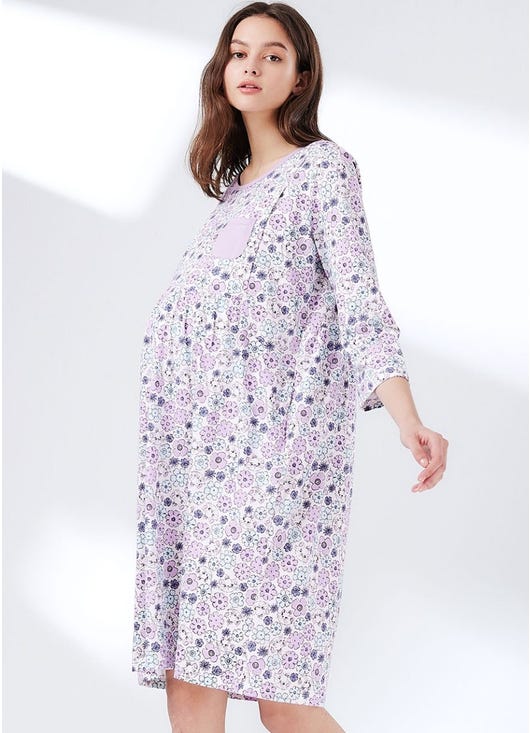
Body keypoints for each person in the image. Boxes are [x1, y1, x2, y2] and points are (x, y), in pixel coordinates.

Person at [131, 3, 449, 732]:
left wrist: (408, 418)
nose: (251, 66)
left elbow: (360, 301)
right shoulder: (234, 190)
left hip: (267, 464)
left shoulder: (322, 172)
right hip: (194, 462)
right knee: (198, 678)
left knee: (272, 691)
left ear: (300, 77)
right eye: (239, 52)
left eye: (273, 55)